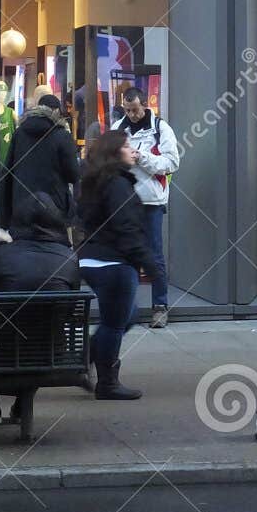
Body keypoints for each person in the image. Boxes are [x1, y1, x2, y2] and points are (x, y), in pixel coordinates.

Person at [78, 131, 162, 401]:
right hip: (113, 263)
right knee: (115, 323)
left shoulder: (96, 182)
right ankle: (107, 383)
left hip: (92, 259)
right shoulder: (117, 185)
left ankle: (87, 358)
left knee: (127, 316)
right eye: (126, 146)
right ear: (115, 152)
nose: (132, 151)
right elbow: (127, 228)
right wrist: (150, 262)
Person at [0, 209, 82, 425]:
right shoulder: (68, 258)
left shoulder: (2, 255)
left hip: (0, 348)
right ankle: (22, 402)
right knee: (38, 331)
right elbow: (70, 310)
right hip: (51, 349)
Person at [111, 86, 180, 328]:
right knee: (125, 255)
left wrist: (141, 157)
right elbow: (106, 161)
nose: (131, 115)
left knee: (154, 255)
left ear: (144, 105)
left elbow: (172, 163)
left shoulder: (161, 128)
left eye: (135, 110)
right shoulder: (118, 129)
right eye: (127, 110)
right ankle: (126, 307)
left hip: (151, 201)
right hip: (125, 202)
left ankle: (160, 306)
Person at [0, 92, 78, 241]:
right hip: (54, 211)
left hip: (21, 209)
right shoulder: (62, 135)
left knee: (24, 253)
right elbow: (73, 174)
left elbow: (7, 173)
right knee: (54, 256)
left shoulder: (19, 133)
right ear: (56, 112)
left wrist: (4, 217)